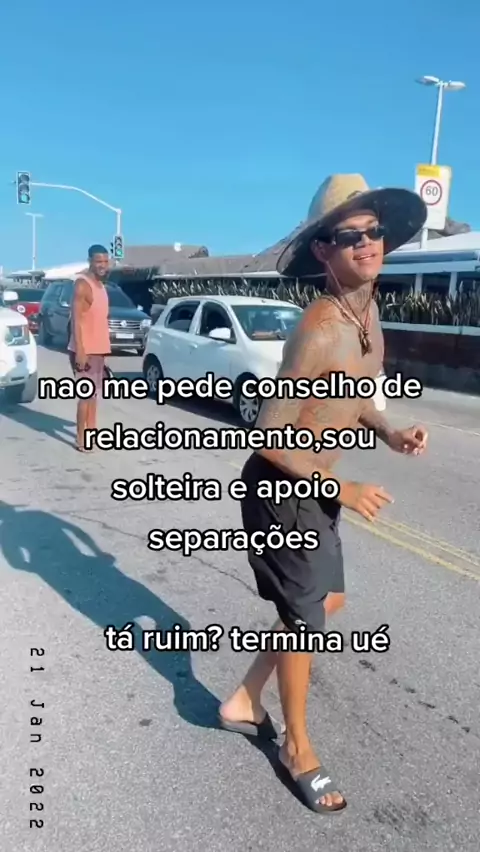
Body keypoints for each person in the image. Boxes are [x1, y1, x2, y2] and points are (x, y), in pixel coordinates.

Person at [219, 174, 429, 814]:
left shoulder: (368, 317)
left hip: (313, 487)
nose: (366, 243)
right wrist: (341, 485)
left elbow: (354, 393)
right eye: (349, 235)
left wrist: (390, 432)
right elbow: (267, 437)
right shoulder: (318, 328)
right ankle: (296, 747)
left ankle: (243, 699)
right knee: (305, 619)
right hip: (282, 487)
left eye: (374, 231)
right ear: (323, 250)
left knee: (324, 602)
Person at [68, 244, 111, 452]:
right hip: (84, 350)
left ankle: (92, 434)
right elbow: (76, 320)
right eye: (98, 261)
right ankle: (80, 437)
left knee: (94, 396)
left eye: (105, 261)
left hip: (99, 350)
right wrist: (80, 350)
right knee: (85, 395)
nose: (102, 265)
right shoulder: (82, 285)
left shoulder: (101, 286)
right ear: (90, 262)